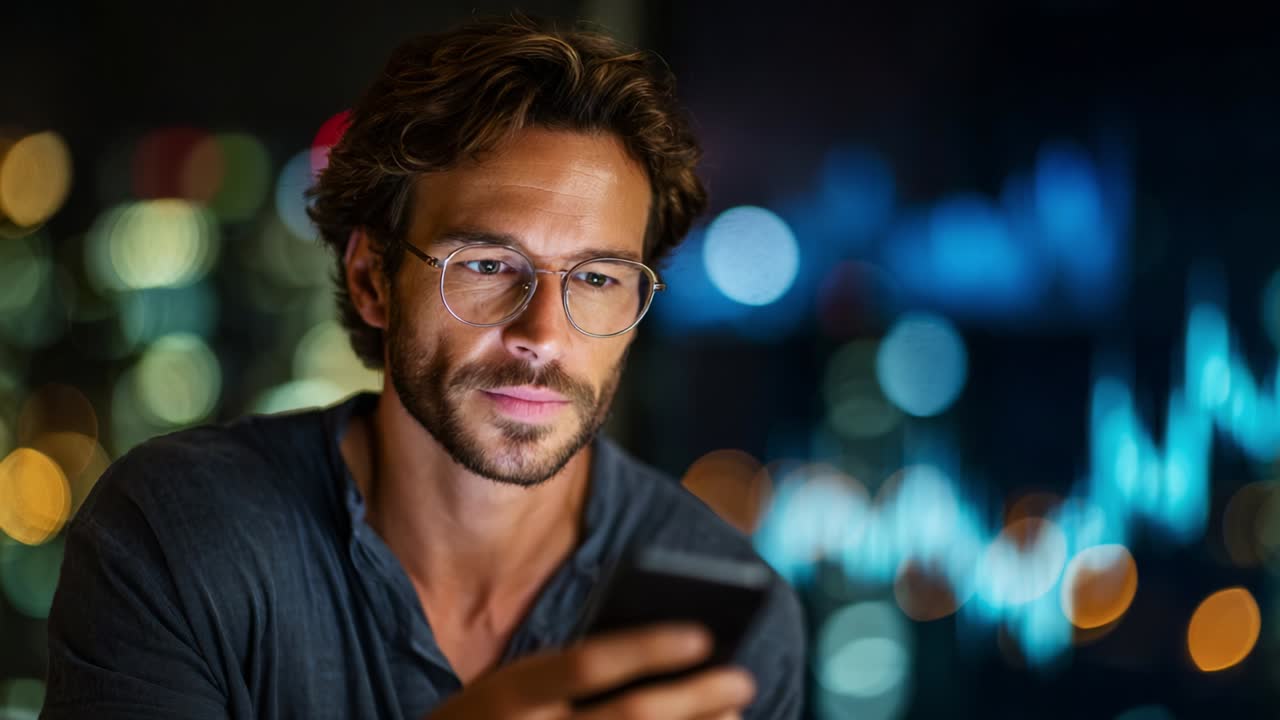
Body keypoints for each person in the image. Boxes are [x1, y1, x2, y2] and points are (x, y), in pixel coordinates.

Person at [42, 15, 805, 720]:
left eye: (598, 279)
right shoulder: (180, 536)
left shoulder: (733, 620)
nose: (541, 333)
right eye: (485, 264)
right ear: (374, 280)